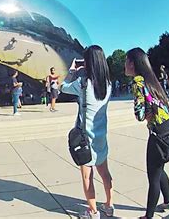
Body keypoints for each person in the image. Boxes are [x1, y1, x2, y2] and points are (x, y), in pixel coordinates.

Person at [61, 45, 114, 218]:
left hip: (86, 139)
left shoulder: (82, 83)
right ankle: (109, 204)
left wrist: (72, 71)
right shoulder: (108, 84)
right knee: (105, 172)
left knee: (87, 176)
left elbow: (63, 87)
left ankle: (92, 211)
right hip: (101, 136)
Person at [125, 48, 169, 218]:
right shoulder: (153, 79)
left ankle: (148, 215)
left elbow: (139, 115)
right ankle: (167, 202)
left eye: (126, 61)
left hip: (157, 134)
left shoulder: (138, 83)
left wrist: (146, 111)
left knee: (153, 174)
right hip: (168, 128)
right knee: (160, 168)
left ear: (132, 63)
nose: (125, 65)